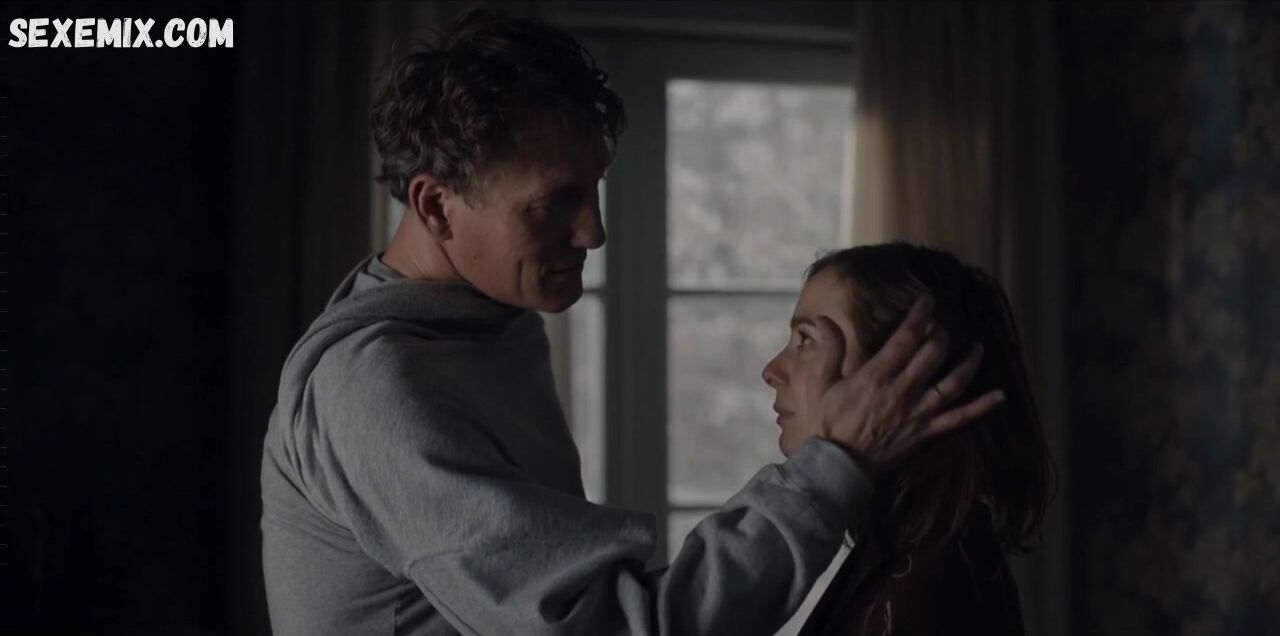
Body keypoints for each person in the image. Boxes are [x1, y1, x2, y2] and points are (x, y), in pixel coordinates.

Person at [259, 10, 1005, 636]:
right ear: (434, 205)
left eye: (594, 189)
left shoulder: (484, 325)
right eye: (554, 201)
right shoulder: (380, 387)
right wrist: (833, 467)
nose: (594, 233)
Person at [761, 244, 1056, 636]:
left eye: (805, 340)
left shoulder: (923, 589)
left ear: (906, 372)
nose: (772, 370)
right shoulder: (917, 553)